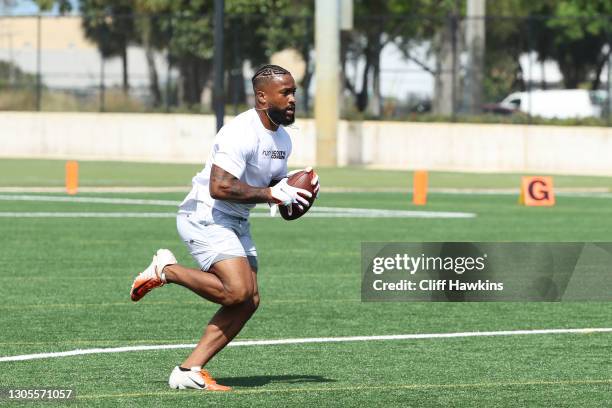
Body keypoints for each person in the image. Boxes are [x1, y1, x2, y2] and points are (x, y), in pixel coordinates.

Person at [129, 64, 320, 391]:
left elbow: (272, 182)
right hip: (205, 214)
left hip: (236, 219)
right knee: (236, 291)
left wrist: (292, 192)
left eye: (294, 93)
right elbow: (220, 187)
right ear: (262, 97)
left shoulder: (284, 138)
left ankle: (189, 370)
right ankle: (167, 270)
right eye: (285, 93)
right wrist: (271, 193)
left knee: (249, 300)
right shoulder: (239, 131)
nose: (292, 100)